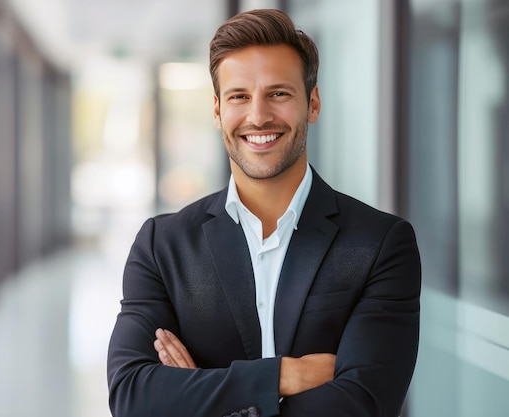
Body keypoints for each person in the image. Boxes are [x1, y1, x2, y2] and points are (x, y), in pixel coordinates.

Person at [107, 8, 421, 417]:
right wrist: (280, 377)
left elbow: (362, 404)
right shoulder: (162, 247)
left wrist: (201, 395)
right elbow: (132, 396)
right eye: (239, 96)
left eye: (278, 93)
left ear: (313, 103)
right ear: (218, 111)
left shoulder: (380, 244)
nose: (258, 116)